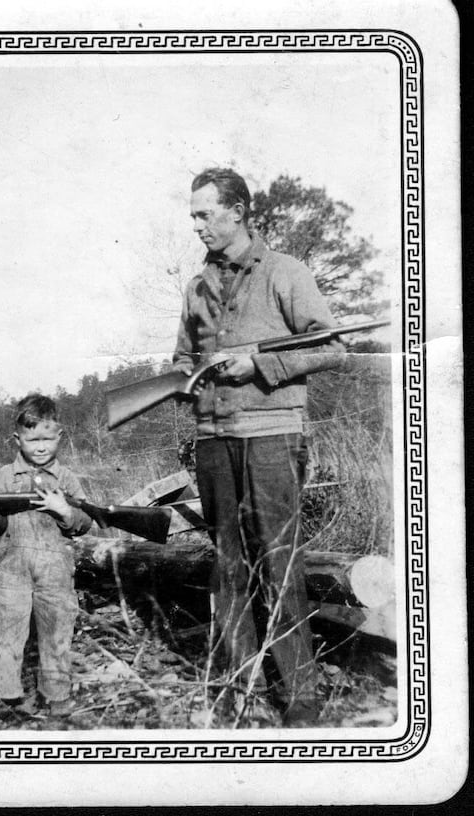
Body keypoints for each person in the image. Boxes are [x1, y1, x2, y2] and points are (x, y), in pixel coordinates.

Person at [173, 167, 345, 725]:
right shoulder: (196, 286)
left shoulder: (285, 272)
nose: (195, 224)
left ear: (238, 212)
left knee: (279, 564)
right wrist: (183, 378)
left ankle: (299, 702)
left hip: (272, 435)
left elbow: (332, 346)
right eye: (194, 214)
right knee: (227, 568)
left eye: (205, 213)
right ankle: (236, 690)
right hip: (213, 439)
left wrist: (261, 364)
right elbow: (182, 356)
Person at [0, 393, 91, 717]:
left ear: (60, 435)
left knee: (58, 635)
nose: (41, 446)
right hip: (12, 568)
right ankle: (8, 699)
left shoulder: (68, 478)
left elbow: (85, 523)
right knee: (8, 635)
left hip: (55, 570)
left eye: (48, 438)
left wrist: (65, 511)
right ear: (18, 439)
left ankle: (57, 698)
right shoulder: (5, 476)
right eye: (33, 439)